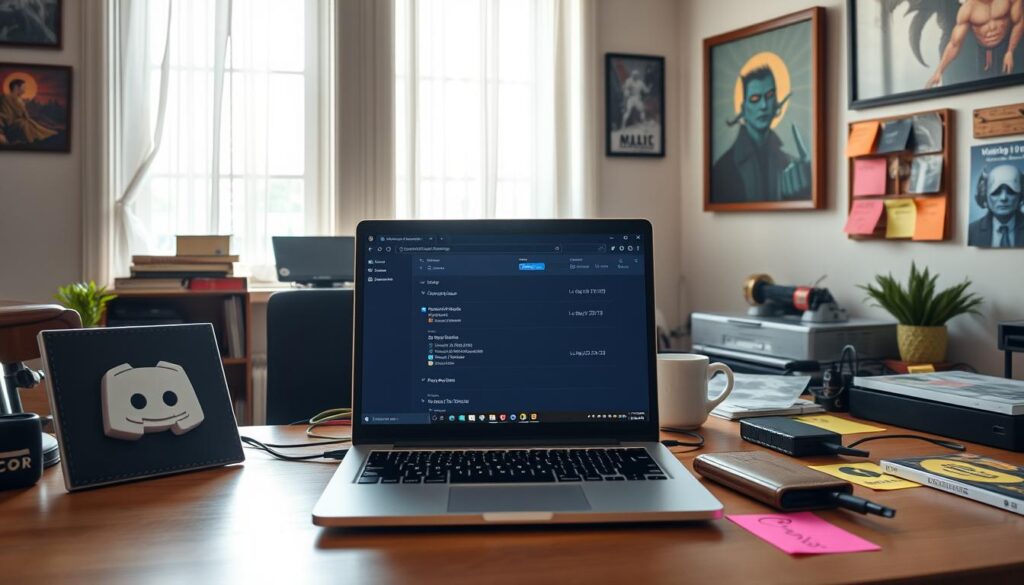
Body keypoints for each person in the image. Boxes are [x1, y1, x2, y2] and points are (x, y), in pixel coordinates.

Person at [711, 65, 810, 203]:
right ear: (743, 108)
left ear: (776, 102)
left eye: (769, 96)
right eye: (755, 98)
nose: (763, 105)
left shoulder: (787, 162)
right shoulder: (723, 169)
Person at [926, 0, 1023, 88]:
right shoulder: (968, 9)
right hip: (984, 52)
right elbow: (954, 44)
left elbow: (1019, 22)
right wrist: (939, 71)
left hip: (1007, 45)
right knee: (986, 89)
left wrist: (1010, 51)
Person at [968, 163, 1024, 248]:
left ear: (1021, 195)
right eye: (996, 192)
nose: (1003, 198)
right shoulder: (971, 231)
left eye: (1011, 191)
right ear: (985, 195)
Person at [0, 77, 57, 145]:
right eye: (23, 87)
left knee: (33, 124)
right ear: (16, 87)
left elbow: (25, 115)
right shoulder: (6, 98)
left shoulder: (21, 100)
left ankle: (47, 136)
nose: (25, 89)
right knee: (25, 125)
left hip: (23, 123)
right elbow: (2, 115)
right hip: (12, 126)